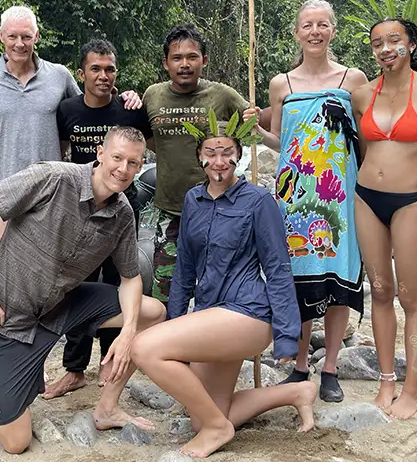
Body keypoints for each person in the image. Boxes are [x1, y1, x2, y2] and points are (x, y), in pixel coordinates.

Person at [0, 126, 166, 454]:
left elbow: (130, 278)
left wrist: (128, 333)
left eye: (133, 163)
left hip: (61, 306)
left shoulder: (123, 215)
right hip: (6, 321)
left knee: (151, 312)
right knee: (16, 443)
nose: (123, 169)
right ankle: (11, 388)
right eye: (117, 158)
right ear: (100, 153)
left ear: (141, 166)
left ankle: (108, 408)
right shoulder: (54, 178)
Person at [131, 117, 315, 459]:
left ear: (239, 156)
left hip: (248, 314)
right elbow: (184, 268)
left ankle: (219, 429)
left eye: (227, 153)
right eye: (210, 153)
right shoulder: (193, 201)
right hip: (210, 315)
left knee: (145, 348)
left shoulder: (259, 201)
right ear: (199, 158)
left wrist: (288, 335)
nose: (219, 161)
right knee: (202, 417)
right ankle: (296, 393)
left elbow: (277, 267)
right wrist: (175, 320)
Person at [0, 6, 141, 240]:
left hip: (53, 188)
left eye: (26, 36)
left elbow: (89, 106)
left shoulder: (59, 75)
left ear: (36, 36)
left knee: (52, 265)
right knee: (7, 264)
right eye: (12, 36)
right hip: (6, 187)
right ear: (1, 37)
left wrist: (125, 97)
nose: (19, 44)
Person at [263, 0, 368, 403]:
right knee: (299, 275)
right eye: (307, 25)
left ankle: (330, 368)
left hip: (338, 192)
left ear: (333, 31)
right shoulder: (281, 84)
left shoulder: (352, 79)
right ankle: (301, 364)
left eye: (323, 24)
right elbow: (278, 138)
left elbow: (363, 133)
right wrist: (256, 127)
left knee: (337, 273)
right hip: (294, 194)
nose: (315, 32)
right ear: (296, 32)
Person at [43, 39, 154, 399]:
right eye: (96, 69)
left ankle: (110, 360)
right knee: (76, 286)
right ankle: (74, 370)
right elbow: (61, 156)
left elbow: (148, 147)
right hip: (80, 211)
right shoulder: (67, 110)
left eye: (110, 69)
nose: (103, 76)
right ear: (82, 73)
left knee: (117, 283)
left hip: (123, 208)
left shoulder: (130, 109)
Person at [142, 24, 275, 304]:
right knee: (165, 289)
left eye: (192, 57)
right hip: (170, 210)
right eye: (177, 58)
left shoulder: (222, 95)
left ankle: (215, 341)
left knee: (218, 285)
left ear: (204, 60)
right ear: (166, 63)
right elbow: (146, 139)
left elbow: (254, 121)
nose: (185, 64)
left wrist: (259, 113)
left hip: (219, 209)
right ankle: (169, 342)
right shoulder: (153, 95)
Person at [352, 18, 417, 420]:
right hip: (367, 199)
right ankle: (385, 381)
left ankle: (411, 388)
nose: (385, 48)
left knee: (412, 297)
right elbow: (363, 150)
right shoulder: (362, 96)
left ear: (411, 45)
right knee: (379, 289)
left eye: (394, 40)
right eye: (377, 42)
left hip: (413, 201)